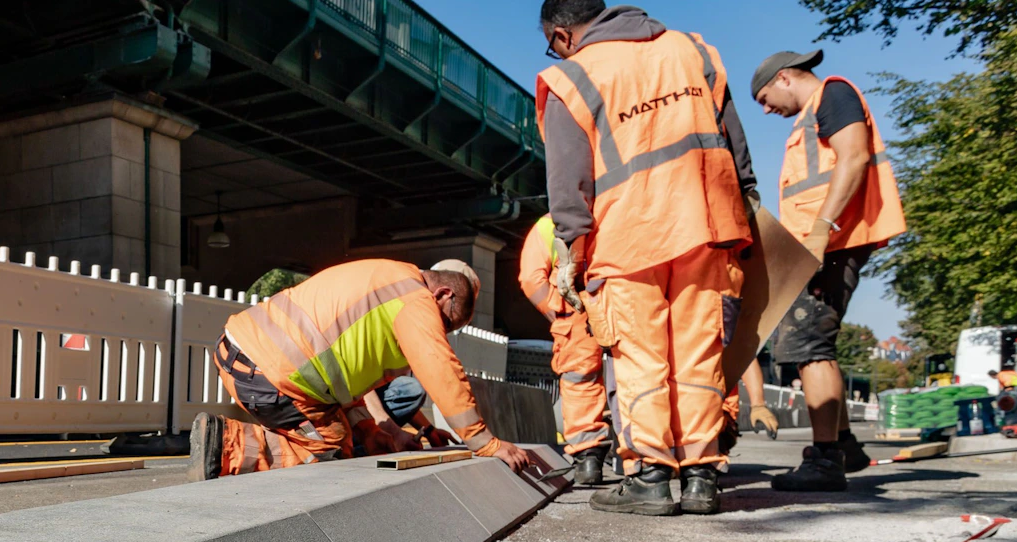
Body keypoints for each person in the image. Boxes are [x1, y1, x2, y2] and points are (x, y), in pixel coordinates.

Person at [536, 0, 755, 515]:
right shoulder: (691, 49)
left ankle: (650, 477)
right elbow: (732, 139)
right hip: (706, 223)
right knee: (699, 354)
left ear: (563, 35)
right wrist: (744, 202)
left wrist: (572, 247)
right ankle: (702, 478)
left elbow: (569, 179)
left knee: (642, 359)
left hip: (626, 238)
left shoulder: (571, 76)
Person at [185, 259, 535, 480]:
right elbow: (440, 367)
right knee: (333, 450)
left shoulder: (387, 277)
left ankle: (342, 437)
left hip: (242, 352)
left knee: (350, 434)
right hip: (270, 375)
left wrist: (374, 430)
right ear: (442, 294)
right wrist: (485, 443)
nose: (439, 331)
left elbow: (341, 377)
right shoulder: (416, 301)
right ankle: (224, 446)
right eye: (446, 324)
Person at [754, 49, 907, 491]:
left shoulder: (831, 95)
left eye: (765, 97)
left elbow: (854, 157)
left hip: (832, 242)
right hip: (826, 244)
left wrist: (820, 231)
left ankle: (825, 461)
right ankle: (844, 446)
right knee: (813, 337)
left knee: (807, 343)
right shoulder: (813, 112)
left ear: (785, 77)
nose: (766, 109)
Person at [519, 214, 611, 484]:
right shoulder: (619, 203)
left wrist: (558, 312)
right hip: (623, 298)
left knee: (580, 376)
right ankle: (648, 458)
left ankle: (588, 459)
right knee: (636, 371)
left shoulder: (550, 221)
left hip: (576, 304)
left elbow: (530, 278)